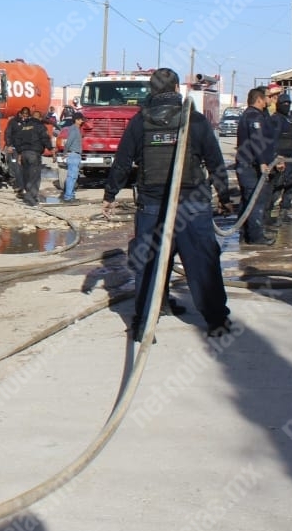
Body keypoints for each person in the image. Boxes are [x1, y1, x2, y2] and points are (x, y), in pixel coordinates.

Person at [100, 68, 234, 338]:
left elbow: (122, 162)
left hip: (152, 206)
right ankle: (217, 322)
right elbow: (215, 161)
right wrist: (225, 196)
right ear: (176, 90)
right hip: (192, 207)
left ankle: (143, 325)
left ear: (151, 91)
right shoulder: (195, 121)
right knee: (202, 263)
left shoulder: (140, 122)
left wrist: (110, 195)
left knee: (149, 263)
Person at [235, 86, 277, 246]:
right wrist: (262, 162)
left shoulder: (255, 115)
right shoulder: (254, 117)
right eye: (267, 97)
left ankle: (245, 233)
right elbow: (257, 141)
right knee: (255, 200)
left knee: (248, 200)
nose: (270, 100)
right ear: (259, 99)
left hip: (248, 165)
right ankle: (255, 236)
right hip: (250, 166)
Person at [268, 93, 292, 227]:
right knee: (276, 187)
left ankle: (284, 213)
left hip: (291, 159)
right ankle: (266, 215)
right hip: (280, 160)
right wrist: (277, 157)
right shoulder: (276, 119)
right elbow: (273, 140)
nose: (286, 106)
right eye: (284, 104)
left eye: (288, 104)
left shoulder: (289, 119)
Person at [8, 107, 51, 206]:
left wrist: (19, 153)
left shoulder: (24, 126)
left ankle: (29, 194)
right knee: (35, 177)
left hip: (24, 154)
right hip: (34, 154)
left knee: (26, 174)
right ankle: (31, 196)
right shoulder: (40, 126)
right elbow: (45, 138)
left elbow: (17, 139)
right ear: (40, 118)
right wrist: (51, 148)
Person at [57, 112, 86, 202]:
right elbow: (68, 142)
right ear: (76, 120)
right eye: (81, 120)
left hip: (75, 154)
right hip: (73, 155)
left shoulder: (76, 129)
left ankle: (71, 195)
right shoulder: (74, 129)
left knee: (74, 177)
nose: (82, 121)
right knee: (72, 177)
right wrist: (64, 153)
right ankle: (68, 197)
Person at [4, 107, 32, 194]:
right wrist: (9, 145)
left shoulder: (30, 123)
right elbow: (8, 133)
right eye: (24, 114)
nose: (25, 116)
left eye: (27, 114)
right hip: (15, 148)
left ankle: (26, 185)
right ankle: (20, 186)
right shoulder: (13, 122)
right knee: (17, 167)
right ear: (20, 114)